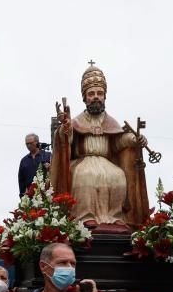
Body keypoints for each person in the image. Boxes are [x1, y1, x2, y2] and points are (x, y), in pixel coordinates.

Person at [50, 63, 150, 231]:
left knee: (118, 175)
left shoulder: (111, 122)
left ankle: (114, 217)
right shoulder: (77, 121)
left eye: (99, 93)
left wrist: (133, 139)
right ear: (85, 98)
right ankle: (85, 217)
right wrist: (66, 129)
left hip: (106, 162)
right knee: (86, 176)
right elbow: (67, 141)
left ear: (104, 96)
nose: (96, 97)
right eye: (91, 94)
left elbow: (117, 142)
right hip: (82, 162)